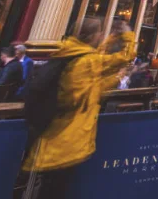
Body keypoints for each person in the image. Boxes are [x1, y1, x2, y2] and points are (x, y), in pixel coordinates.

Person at [23, 18, 134, 197]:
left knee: (52, 186)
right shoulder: (85, 61)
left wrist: (113, 41)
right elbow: (123, 58)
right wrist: (127, 36)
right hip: (66, 136)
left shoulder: (69, 52)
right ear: (92, 36)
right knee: (55, 189)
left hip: (55, 134)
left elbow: (93, 81)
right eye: (100, 33)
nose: (101, 36)